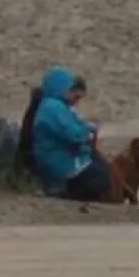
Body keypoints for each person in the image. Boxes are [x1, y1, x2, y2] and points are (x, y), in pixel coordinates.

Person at [25, 64, 111, 201]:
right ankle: (69, 195)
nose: (71, 91)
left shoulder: (56, 106)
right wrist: (88, 131)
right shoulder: (52, 108)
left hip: (61, 157)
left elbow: (75, 125)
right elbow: (73, 133)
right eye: (69, 88)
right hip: (58, 161)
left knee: (100, 168)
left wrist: (87, 128)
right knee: (98, 177)